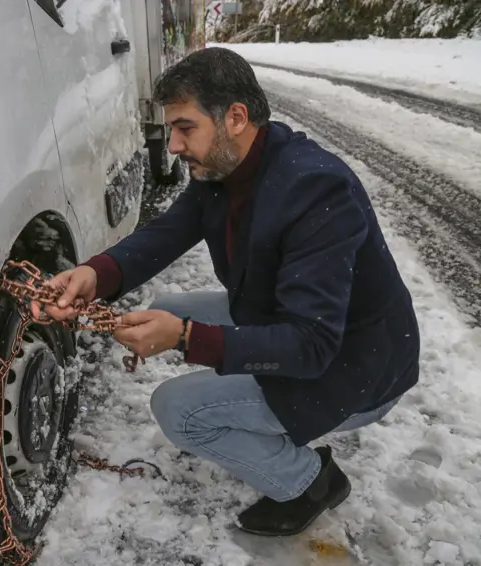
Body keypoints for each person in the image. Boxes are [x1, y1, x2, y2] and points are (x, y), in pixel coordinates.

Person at [32, 47, 420, 536]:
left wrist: (185, 338)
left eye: (185, 127)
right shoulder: (229, 166)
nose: (173, 144)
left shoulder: (315, 189)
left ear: (235, 117)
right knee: (167, 307)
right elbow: (168, 232)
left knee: (176, 409)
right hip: (288, 321)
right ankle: (249, 403)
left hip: (353, 366)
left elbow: (311, 344)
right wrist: (95, 274)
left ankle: (308, 482)